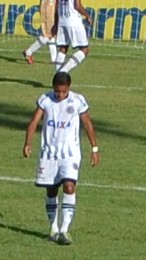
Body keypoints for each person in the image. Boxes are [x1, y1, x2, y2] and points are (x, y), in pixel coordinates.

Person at [23, 71, 100, 245]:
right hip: (49, 153)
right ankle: (53, 228)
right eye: (58, 91)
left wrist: (94, 148)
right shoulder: (45, 100)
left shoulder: (78, 101)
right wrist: (28, 143)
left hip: (70, 153)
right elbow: (34, 122)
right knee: (51, 190)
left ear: (69, 88)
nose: (60, 95)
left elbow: (87, 123)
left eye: (64, 92)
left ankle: (64, 230)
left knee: (69, 186)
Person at [54, 0, 92, 73]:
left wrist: (56, 23)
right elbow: (77, 6)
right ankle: (63, 72)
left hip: (62, 21)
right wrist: (87, 16)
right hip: (74, 22)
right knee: (84, 50)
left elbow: (56, 6)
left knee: (63, 48)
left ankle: (57, 76)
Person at [22, 0, 58, 65]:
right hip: (49, 8)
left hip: (49, 6)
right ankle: (28, 52)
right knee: (48, 35)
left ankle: (54, 59)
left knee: (51, 35)